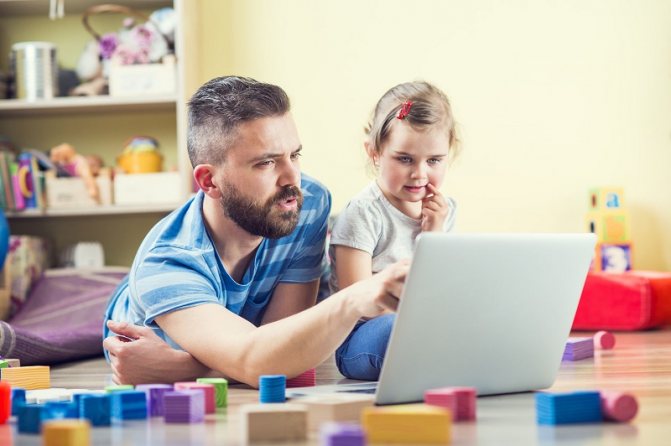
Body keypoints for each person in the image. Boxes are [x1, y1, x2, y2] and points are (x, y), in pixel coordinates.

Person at [103, 76, 408, 387]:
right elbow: (260, 360)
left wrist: (181, 369)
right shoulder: (166, 266)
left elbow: (285, 349)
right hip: (165, 297)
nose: (293, 178)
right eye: (266, 163)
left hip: (244, 331)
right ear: (209, 181)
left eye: (295, 155)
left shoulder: (306, 203)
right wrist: (356, 296)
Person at [329, 81, 460, 380]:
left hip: (423, 326)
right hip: (363, 337)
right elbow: (357, 303)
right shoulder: (363, 213)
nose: (419, 173)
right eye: (404, 159)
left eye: (434, 161)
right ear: (374, 153)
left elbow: (441, 291)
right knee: (396, 331)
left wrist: (434, 235)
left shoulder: (443, 210)